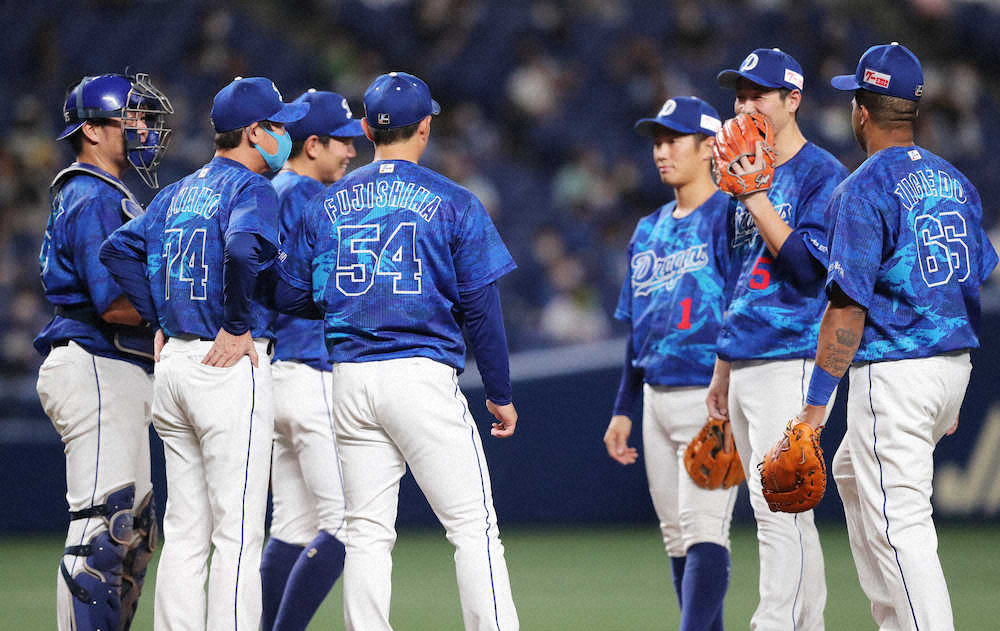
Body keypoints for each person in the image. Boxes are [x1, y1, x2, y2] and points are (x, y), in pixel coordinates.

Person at [272, 71, 519, 631]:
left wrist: (344, 304)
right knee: (472, 527)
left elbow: (287, 293)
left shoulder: (327, 202)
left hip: (349, 379)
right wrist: (499, 393)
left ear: (365, 128)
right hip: (419, 375)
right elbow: (481, 306)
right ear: (426, 126)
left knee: (365, 533)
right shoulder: (453, 200)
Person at [792, 43, 996, 631]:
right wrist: (949, 386)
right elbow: (968, 285)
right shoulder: (956, 182)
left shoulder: (861, 188)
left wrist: (812, 412)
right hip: (949, 365)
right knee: (854, 470)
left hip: (897, 374)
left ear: (861, 110)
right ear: (912, 108)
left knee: (902, 524)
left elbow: (846, 315)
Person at [99, 76, 308, 630]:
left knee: (186, 532)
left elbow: (117, 248)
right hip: (224, 369)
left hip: (173, 372)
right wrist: (237, 326)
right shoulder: (251, 189)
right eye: (278, 126)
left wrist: (161, 319)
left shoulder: (176, 191)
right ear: (253, 132)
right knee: (237, 533)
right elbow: (242, 247)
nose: (285, 135)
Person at [705, 48, 849, 630]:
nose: (744, 105)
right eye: (739, 95)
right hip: (748, 356)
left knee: (777, 507)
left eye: (757, 94)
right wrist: (723, 364)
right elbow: (739, 279)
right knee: (788, 512)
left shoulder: (823, 175)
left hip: (793, 355)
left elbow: (809, 271)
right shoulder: (745, 170)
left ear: (793, 100)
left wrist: (752, 194)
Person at [35, 72, 171, 631]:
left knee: (134, 535)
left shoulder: (107, 193)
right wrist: (184, 309)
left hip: (115, 366)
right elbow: (114, 302)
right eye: (129, 118)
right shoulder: (90, 194)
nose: (141, 127)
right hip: (95, 362)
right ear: (91, 130)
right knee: (103, 529)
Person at [602, 96, 738, 631]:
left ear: (709, 147)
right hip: (656, 398)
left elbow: (748, 306)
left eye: (674, 140)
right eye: (657, 141)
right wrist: (622, 408)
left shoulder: (731, 215)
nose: (662, 152)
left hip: (713, 395)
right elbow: (639, 326)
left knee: (706, 531)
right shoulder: (648, 229)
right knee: (679, 540)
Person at [260, 88, 364, 631]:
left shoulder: (272, 191)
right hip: (313, 371)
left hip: (279, 375)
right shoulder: (311, 199)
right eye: (342, 142)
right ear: (314, 143)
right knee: (347, 525)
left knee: (294, 527)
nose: (351, 152)